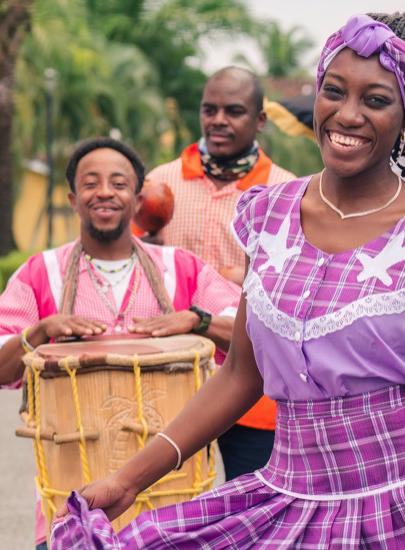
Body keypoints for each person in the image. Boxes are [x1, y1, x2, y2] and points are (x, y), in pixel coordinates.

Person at [50, 12, 405, 549]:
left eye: (375, 99)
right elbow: (240, 375)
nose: (348, 114)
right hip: (289, 499)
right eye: (335, 91)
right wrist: (129, 480)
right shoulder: (267, 215)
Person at [0, 137, 242, 550]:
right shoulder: (41, 272)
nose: (104, 192)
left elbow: (251, 332)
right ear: (73, 199)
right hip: (70, 511)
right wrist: (42, 330)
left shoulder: (182, 268)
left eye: (118, 183)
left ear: (137, 200)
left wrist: (198, 320)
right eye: (90, 183)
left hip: (173, 510)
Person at [139, 66, 297, 482]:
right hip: (171, 371)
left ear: (259, 120)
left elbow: (296, 286)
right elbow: (131, 261)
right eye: (209, 109)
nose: (219, 120)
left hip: (253, 378)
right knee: (172, 499)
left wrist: (237, 275)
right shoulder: (159, 182)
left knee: (255, 504)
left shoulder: (286, 192)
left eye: (234, 111)